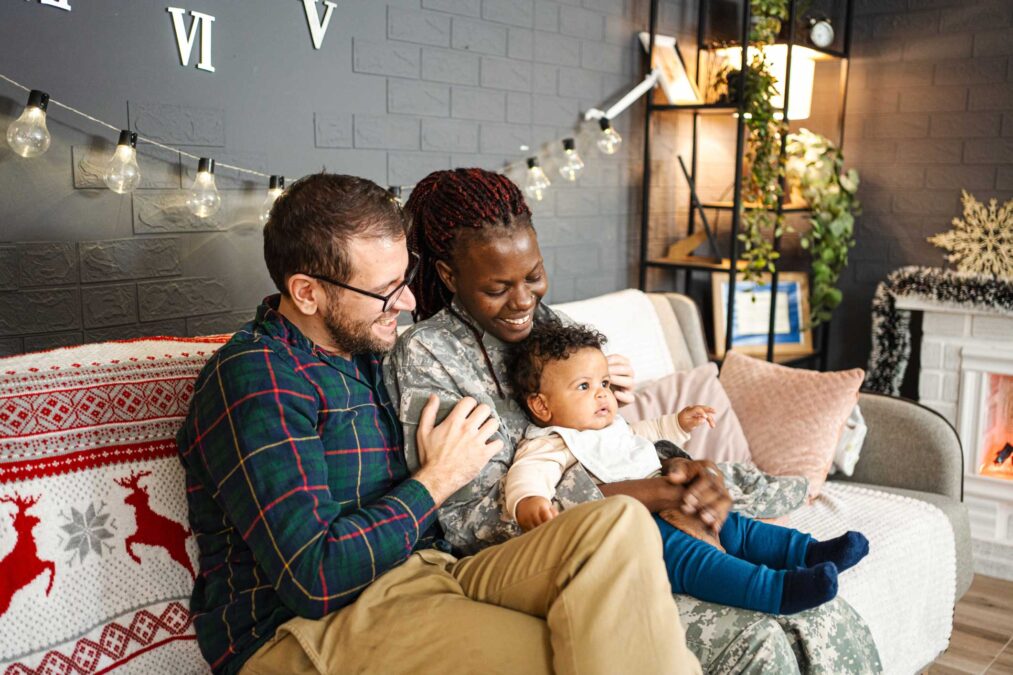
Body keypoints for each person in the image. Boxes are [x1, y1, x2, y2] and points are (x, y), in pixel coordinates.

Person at [175, 173, 700, 675]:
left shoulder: (367, 351)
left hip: (431, 572)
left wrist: (593, 395)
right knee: (577, 653)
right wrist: (435, 480)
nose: (406, 303)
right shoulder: (258, 378)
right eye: (385, 290)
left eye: (404, 279)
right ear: (308, 292)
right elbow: (314, 577)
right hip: (305, 630)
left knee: (618, 524)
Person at [385, 167, 883, 674]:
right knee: (756, 637)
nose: (523, 301)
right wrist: (655, 495)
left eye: (533, 276)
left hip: (641, 524)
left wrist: (682, 473)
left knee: (824, 612)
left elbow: (616, 439)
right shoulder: (428, 356)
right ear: (449, 275)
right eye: (498, 287)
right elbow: (474, 523)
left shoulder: (557, 329)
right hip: (551, 560)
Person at [504, 320, 871, 615]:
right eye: (583, 386)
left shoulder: (610, 425)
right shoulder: (551, 442)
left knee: (735, 527)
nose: (602, 394)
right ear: (541, 405)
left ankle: (808, 553)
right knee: (695, 560)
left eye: (603, 383)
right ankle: (776, 590)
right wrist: (529, 501)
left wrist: (678, 423)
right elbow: (529, 472)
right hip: (637, 529)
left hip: (675, 502)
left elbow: (642, 434)